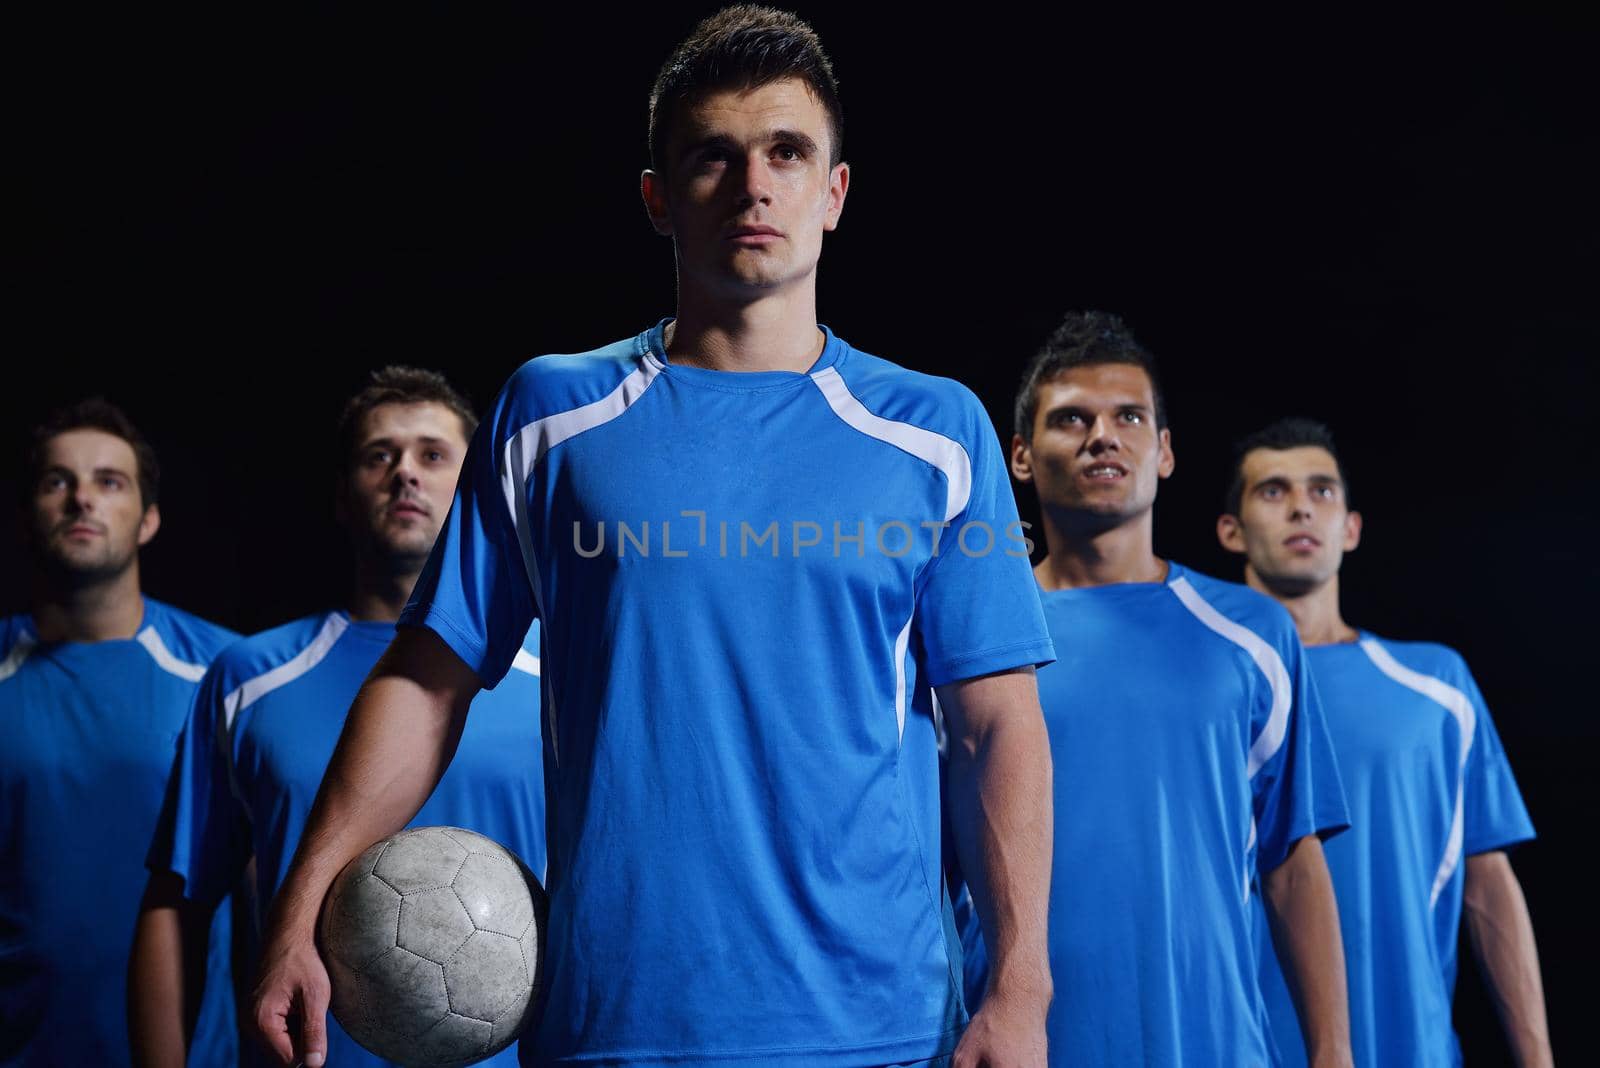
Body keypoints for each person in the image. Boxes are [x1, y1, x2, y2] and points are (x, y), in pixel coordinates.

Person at [251, 7, 1058, 1067]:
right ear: (656, 199)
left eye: (786, 153)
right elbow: (424, 681)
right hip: (613, 1024)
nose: (753, 184)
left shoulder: (934, 430)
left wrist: (1019, 988)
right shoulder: (551, 417)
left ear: (834, 194)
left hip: (875, 1026)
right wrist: (295, 914)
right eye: (711, 157)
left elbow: (997, 726)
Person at [958, 311, 1354, 1066]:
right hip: (1022, 1047)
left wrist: (1334, 1056)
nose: (1101, 436)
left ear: (1165, 452)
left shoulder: (1253, 633)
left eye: (1129, 417)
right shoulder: (970, 639)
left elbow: (1293, 861)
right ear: (1018, 456)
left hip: (1214, 1044)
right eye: (1071, 418)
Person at [130, 367, 545, 1067]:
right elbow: (178, 901)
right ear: (341, 498)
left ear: (478, 492)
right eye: (379, 456)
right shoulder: (250, 677)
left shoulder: (555, 669)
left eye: (433, 455)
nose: (405, 474)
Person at [1217, 417, 1552, 1067]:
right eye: (1273, 491)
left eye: (1321, 491)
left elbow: (1488, 887)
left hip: (1409, 1047)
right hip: (1245, 1048)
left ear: (1351, 527)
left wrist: (1537, 1058)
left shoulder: (1438, 687)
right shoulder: (1201, 695)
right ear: (1231, 530)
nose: (1300, 507)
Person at [0, 399, 238, 1067]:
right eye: (57, 481)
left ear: (149, 518)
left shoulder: (224, 672)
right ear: (27, 515)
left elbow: (271, 885)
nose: (82, 499)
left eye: (109, 481)